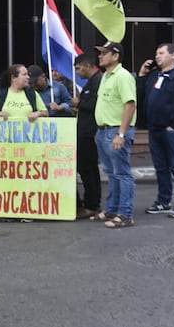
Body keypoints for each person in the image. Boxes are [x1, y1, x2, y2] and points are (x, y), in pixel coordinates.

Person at [137, 42, 174, 219]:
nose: (157, 56)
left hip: (171, 130)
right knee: (160, 167)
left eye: (161, 53)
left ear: (173, 55)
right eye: (156, 53)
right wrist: (141, 75)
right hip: (154, 129)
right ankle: (164, 201)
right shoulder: (154, 76)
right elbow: (140, 95)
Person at [93, 41, 137, 228]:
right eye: (100, 53)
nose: (100, 56)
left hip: (115, 130)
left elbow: (130, 104)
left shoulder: (123, 76)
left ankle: (125, 214)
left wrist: (121, 133)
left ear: (115, 55)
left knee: (122, 174)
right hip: (104, 131)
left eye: (104, 53)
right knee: (111, 173)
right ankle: (112, 209)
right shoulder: (105, 76)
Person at [71, 54, 102, 219]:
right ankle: (91, 203)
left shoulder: (98, 81)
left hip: (90, 134)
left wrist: (79, 103)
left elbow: (97, 104)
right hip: (83, 131)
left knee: (88, 169)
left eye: (78, 68)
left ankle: (92, 205)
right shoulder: (91, 82)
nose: (77, 73)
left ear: (87, 65)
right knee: (86, 169)